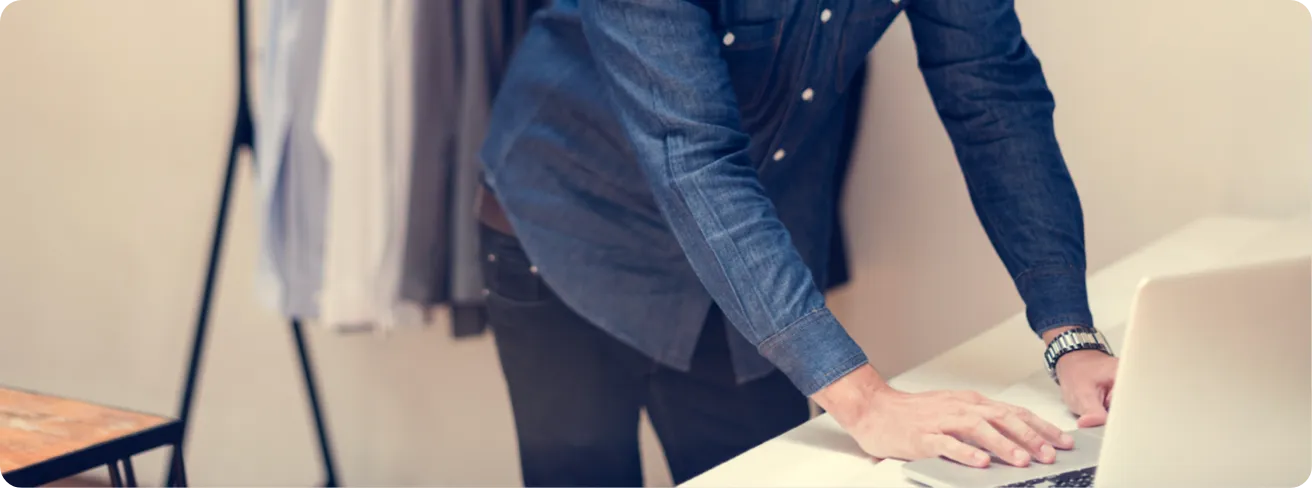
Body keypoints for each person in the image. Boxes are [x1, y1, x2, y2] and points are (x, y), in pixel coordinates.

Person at [477, 0, 1120, 486]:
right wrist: (864, 399)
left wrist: (1069, 335)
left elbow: (994, 98)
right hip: (572, 228)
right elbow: (693, 155)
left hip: (754, 251)